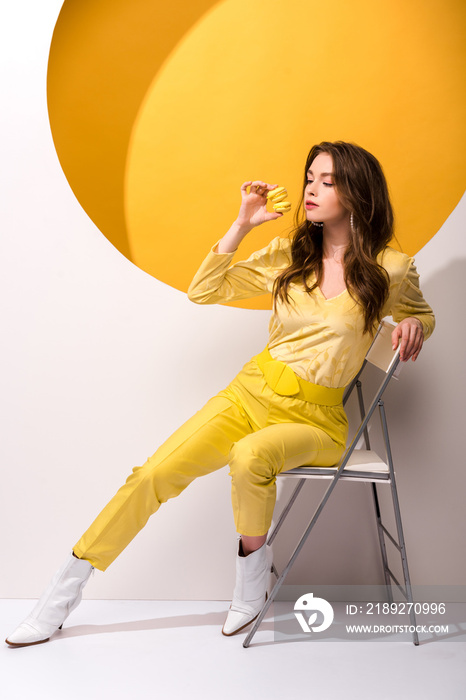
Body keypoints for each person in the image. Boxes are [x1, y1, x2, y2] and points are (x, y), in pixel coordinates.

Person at [5, 141, 435, 647]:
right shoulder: (290, 256)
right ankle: (61, 595)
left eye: (328, 180)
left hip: (317, 421)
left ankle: (251, 581)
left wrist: (412, 325)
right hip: (249, 394)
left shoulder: (392, 267)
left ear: (358, 191)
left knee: (251, 456)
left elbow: (421, 314)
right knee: (153, 474)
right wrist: (243, 224)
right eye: (309, 178)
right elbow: (204, 290)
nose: (312, 190)